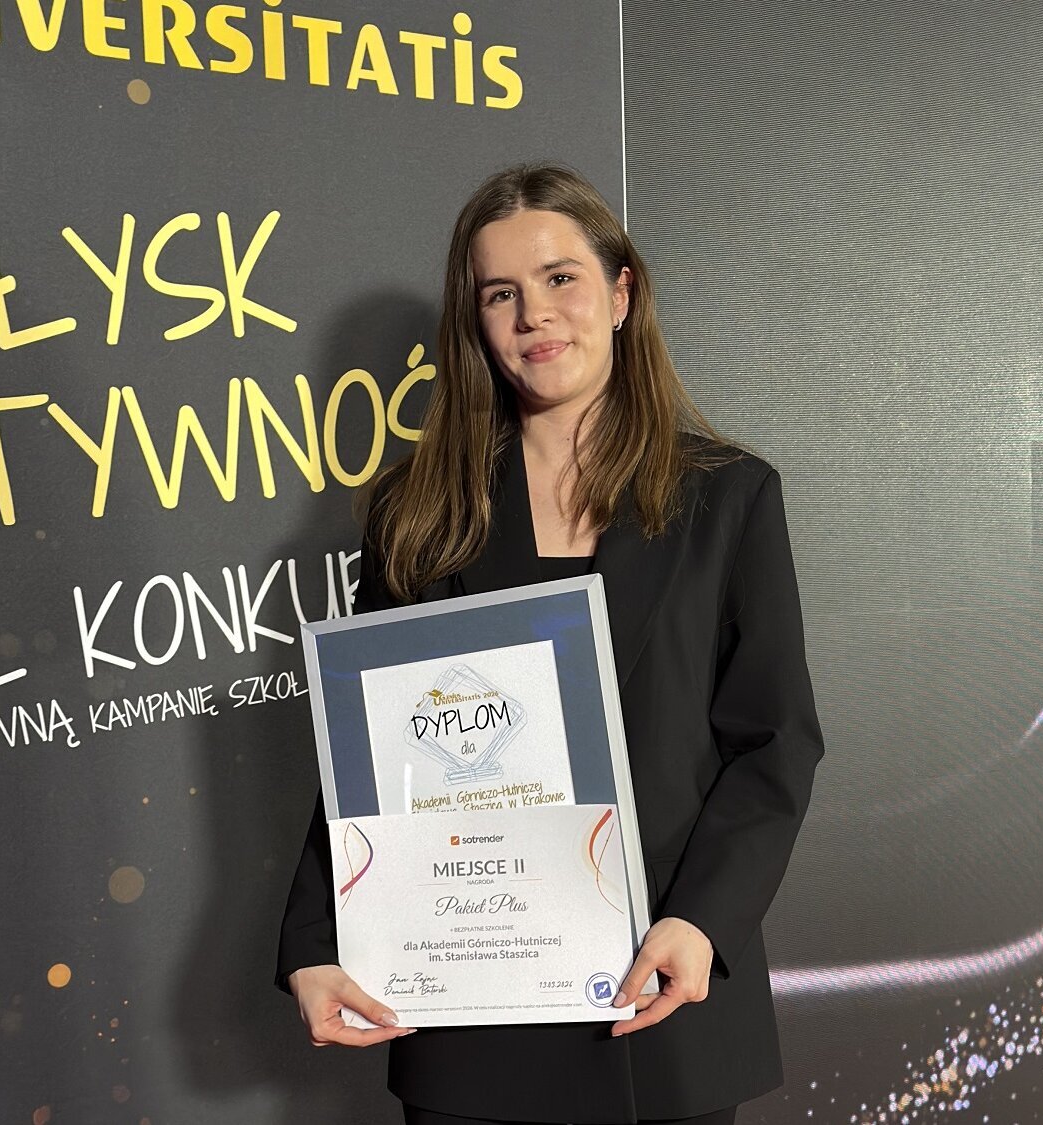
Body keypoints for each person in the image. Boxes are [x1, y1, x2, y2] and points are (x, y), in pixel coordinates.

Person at [276, 163, 824, 1125]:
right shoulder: (416, 513)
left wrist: (702, 923)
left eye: (561, 278)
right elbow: (371, 761)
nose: (534, 314)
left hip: (662, 998)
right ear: (476, 322)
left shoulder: (730, 498)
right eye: (501, 293)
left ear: (621, 294)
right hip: (468, 1017)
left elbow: (774, 743)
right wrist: (315, 943)